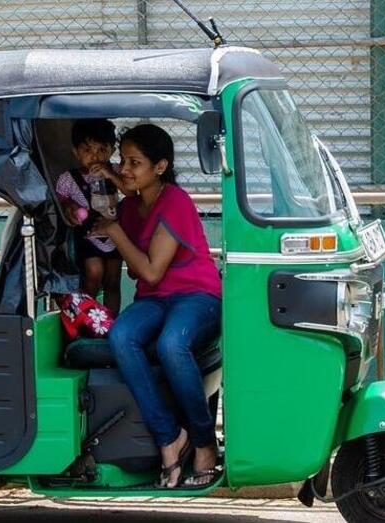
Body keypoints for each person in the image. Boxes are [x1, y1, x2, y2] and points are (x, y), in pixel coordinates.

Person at [90, 124, 222, 489]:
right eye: (122, 161)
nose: (125, 169)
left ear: (160, 167)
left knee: (171, 344)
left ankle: (204, 441)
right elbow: (140, 271)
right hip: (155, 299)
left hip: (198, 296)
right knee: (121, 336)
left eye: (135, 162)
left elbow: (149, 268)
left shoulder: (176, 200)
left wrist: (114, 232)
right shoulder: (131, 207)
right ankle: (168, 436)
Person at [54, 119, 126, 314]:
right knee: (94, 274)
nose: (94, 156)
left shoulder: (118, 172)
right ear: (75, 152)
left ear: (111, 151)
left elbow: (130, 191)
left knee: (112, 281)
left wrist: (110, 175)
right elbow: (60, 200)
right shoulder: (68, 179)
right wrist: (69, 206)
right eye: (87, 150)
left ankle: (111, 322)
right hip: (87, 234)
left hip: (115, 235)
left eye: (101, 150)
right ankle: (88, 318)